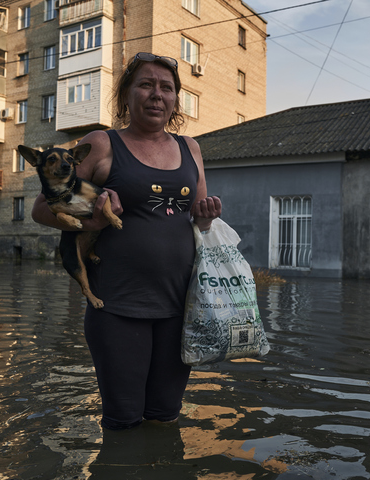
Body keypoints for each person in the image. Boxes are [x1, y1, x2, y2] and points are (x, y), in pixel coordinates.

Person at [31, 52, 221, 430]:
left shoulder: (190, 148)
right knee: (123, 420)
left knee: (165, 416)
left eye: (166, 88)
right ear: (126, 95)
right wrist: (91, 221)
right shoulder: (103, 143)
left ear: (175, 99)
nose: (157, 94)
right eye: (146, 85)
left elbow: (195, 218)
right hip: (118, 305)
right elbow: (41, 208)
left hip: (180, 305)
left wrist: (204, 217)